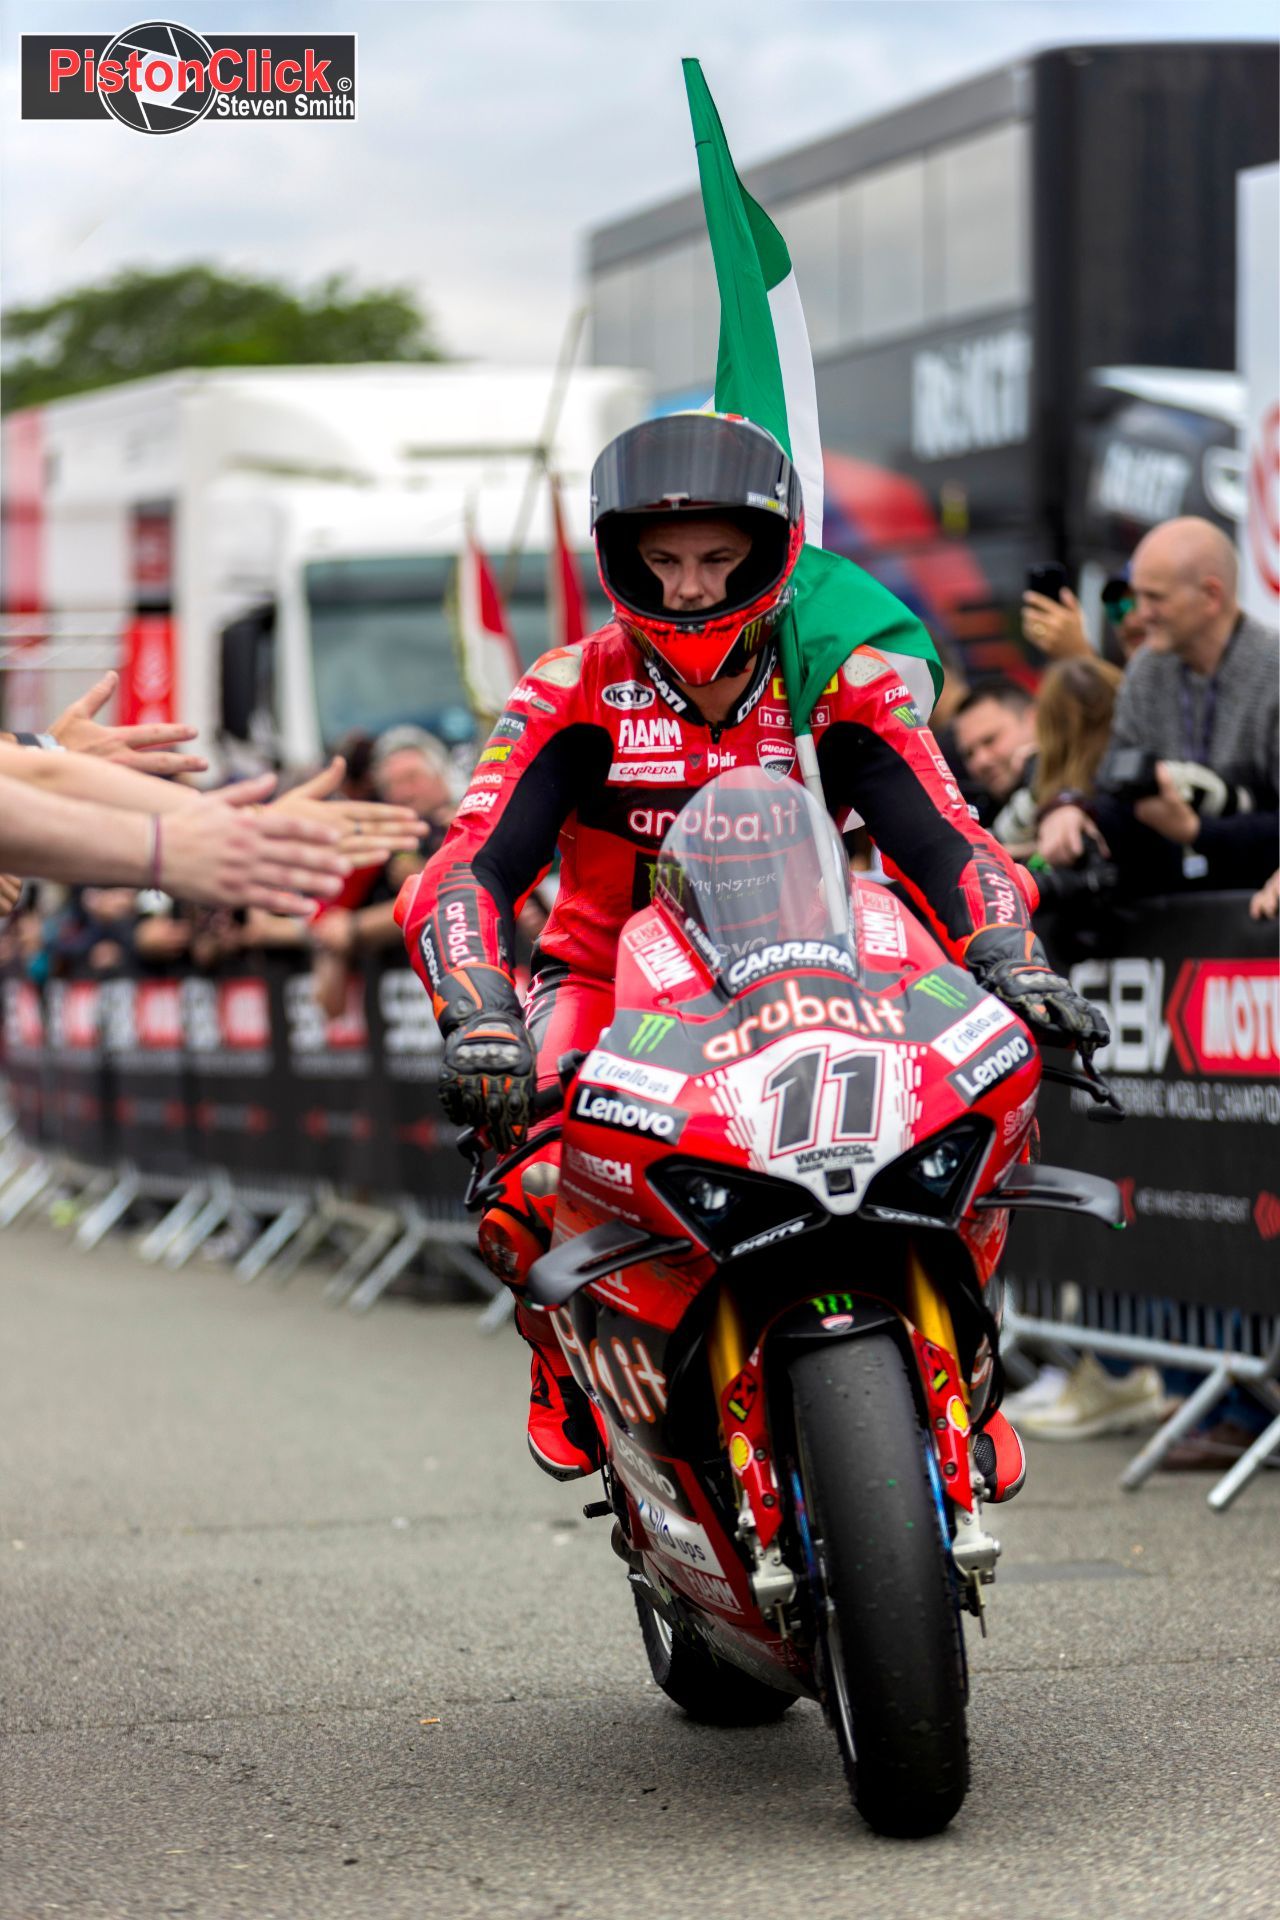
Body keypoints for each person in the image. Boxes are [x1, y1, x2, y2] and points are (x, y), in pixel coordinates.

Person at [395, 412, 1107, 1491]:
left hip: (837, 972)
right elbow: (466, 871)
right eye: (663, 559)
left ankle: (968, 1354)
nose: (686, 587)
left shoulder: (840, 673)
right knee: (516, 1167)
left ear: (771, 553)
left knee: (980, 1099)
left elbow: (944, 837)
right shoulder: (565, 686)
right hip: (609, 984)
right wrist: (480, 1008)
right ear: (619, 556)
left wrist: (1014, 956)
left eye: (717, 558)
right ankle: (566, 1357)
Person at [1050, 518, 1278, 893]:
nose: (1139, 614)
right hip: (1173, 914)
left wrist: (1196, 831)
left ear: (1211, 596)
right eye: (1137, 596)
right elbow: (1116, 786)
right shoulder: (1147, 670)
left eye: (1154, 597)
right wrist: (1070, 809)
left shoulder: (1273, 673)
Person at [950, 680, 1037, 826]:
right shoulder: (976, 821)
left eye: (990, 740)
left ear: (1034, 720)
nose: (980, 761)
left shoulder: (1084, 780)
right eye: (969, 754)